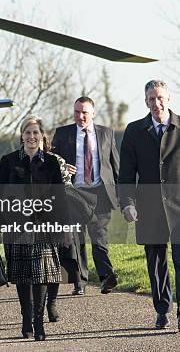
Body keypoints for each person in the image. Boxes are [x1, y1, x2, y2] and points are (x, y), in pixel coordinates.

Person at [0, 116, 67, 341]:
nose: (32, 137)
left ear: (42, 136)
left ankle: (38, 320)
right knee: (23, 275)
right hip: (16, 226)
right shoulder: (8, 161)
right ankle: (26, 318)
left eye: (36, 133)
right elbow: (1, 195)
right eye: (28, 133)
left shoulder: (53, 162)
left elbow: (60, 197)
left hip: (44, 225)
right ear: (22, 136)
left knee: (41, 274)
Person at [119, 80, 180, 330]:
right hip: (149, 207)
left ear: (169, 99)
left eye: (160, 98)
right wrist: (127, 204)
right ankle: (162, 310)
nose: (156, 103)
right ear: (145, 102)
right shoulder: (134, 131)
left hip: (178, 207)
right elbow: (125, 174)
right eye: (151, 99)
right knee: (156, 264)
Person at [52, 96, 119, 295]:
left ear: (93, 113)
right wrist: (62, 166)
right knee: (76, 238)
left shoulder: (106, 133)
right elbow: (50, 161)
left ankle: (106, 276)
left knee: (99, 236)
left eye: (84, 112)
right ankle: (79, 283)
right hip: (74, 194)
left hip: (100, 194)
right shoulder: (63, 134)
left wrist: (124, 197)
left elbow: (115, 166)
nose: (80, 116)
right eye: (76, 112)